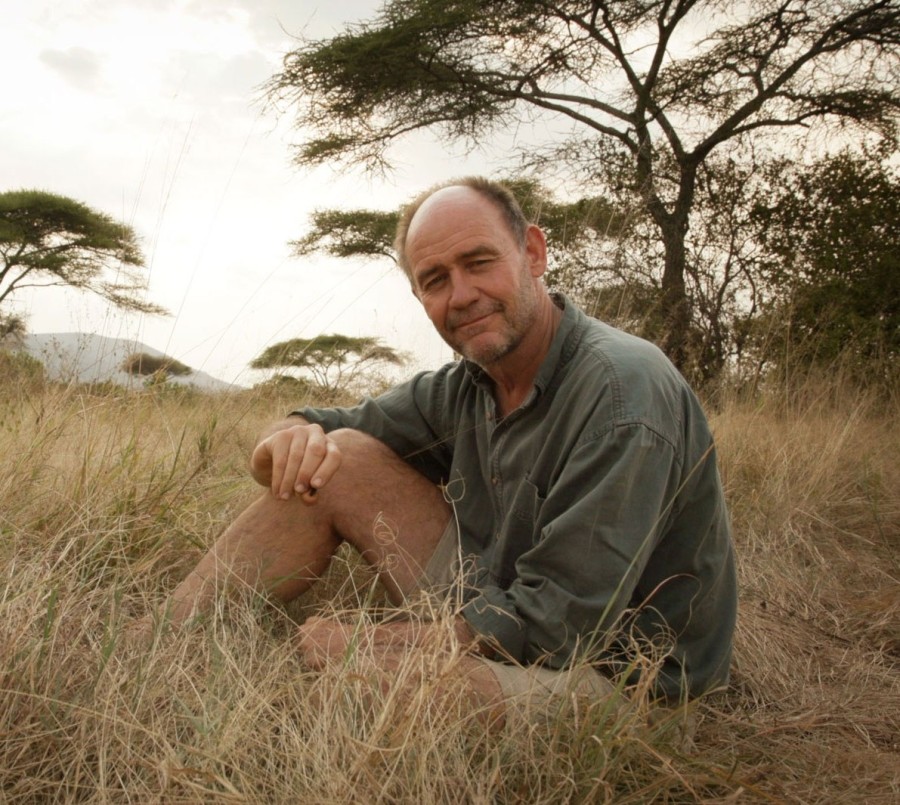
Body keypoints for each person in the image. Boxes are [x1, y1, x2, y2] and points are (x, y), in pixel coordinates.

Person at [158, 177, 736, 723]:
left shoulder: (621, 392)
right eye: (435, 280)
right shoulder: (469, 382)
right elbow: (328, 425)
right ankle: (157, 644)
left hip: (621, 675)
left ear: (533, 254)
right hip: (499, 598)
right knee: (337, 457)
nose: (462, 295)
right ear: (420, 296)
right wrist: (282, 440)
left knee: (363, 683)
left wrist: (378, 641)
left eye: (479, 263)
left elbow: (559, 626)